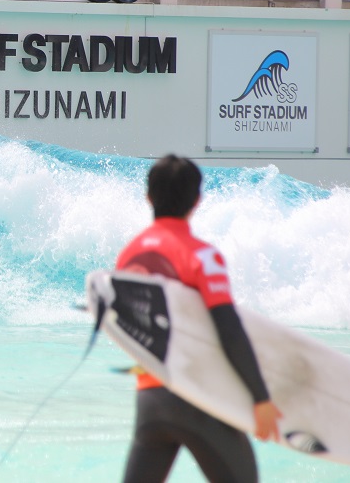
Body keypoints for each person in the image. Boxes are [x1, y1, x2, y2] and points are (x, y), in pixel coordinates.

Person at [115, 154, 282, 483]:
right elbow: (227, 327)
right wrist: (260, 398)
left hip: (150, 402)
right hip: (198, 398)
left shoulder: (128, 255)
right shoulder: (202, 256)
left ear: (148, 197)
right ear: (197, 200)